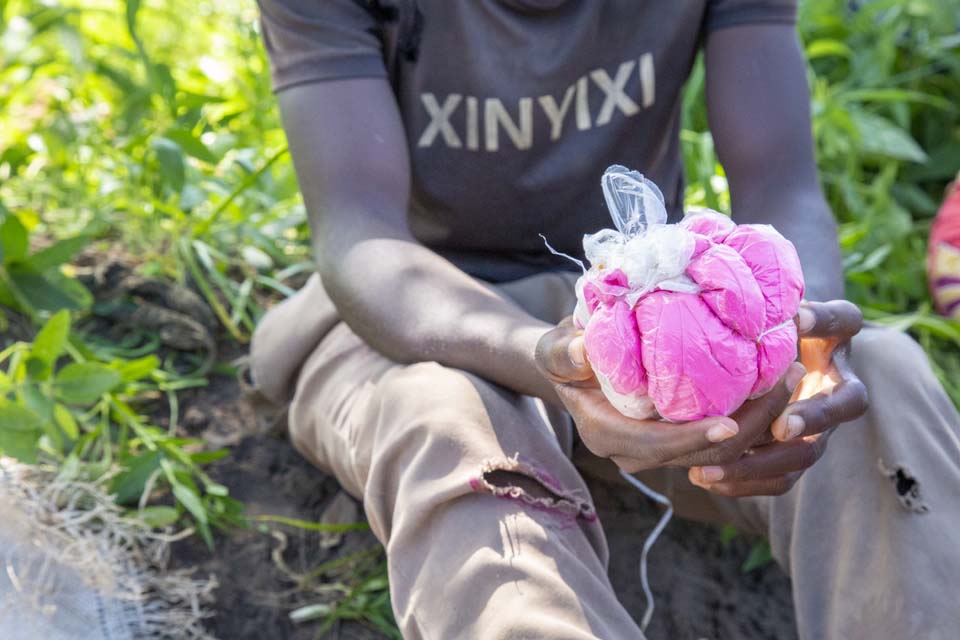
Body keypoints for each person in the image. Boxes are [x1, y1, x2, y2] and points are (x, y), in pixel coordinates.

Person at [249, 1, 960, 638]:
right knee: (447, 424)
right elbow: (363, 243)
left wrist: (794, 347)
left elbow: (781, 182)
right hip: (419, 321)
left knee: (878, 380)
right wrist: (555, 364)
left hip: (645, 312)